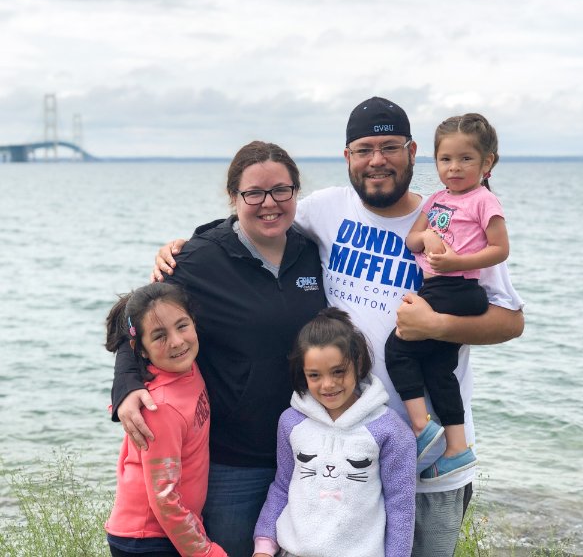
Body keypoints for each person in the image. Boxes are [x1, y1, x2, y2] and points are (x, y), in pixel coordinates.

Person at [150, 97, 524, 556]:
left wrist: (438, 325)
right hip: (339, 455)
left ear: (412, 152)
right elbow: (259, 219)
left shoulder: (452, 217)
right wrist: (186, 246)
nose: (377, 160)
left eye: (390, 147)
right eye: (364, 148)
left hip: (431, 457)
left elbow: (510, 321)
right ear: (347, 157)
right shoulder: (325, 209)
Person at [111, 142, 327, 557]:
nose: (269, 203)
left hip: (308, 452)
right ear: (234, 197)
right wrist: (126, 386)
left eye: (282, 190)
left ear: (296, 192)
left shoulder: (313, 251)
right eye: (254, 193)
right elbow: (136, 321)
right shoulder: (199, 259)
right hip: (233, 462)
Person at [385, 113, 510, 482]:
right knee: (440, 370)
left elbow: (500, 249)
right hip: (442, 289)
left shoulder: (483, 201)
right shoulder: (437, 200)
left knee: (398, 348)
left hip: (457, 289)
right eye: (446, 159)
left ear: (487, 162)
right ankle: (457, 448)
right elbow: (411, 239)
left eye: (466, 159)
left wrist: (458, 261)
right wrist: (424, 239)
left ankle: (421, 428)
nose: (454, 168)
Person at [252, 307, 416, 557]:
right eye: (314, 375)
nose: (328, 384)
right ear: (303, 374)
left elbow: (401, 507)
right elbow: (282, 486)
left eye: (338, 371)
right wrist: (264, 546)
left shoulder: (390, 430)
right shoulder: (290, 422)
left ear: (358, 363)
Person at [104, 283, 227, 557]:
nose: (176, 342)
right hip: (147, 539)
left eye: (182, 326)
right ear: (141, 349)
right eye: (159, 336)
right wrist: (204, 551)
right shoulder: (160, 407)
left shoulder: (188, 366)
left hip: (168, 530)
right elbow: (164, 498)